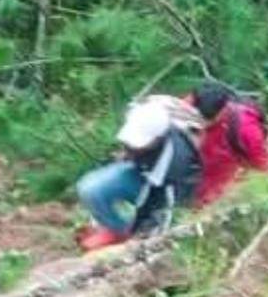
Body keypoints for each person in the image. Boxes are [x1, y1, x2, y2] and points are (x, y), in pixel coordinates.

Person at [76, 100, 203, 251]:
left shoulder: (177, 165)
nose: (131, 147)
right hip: (142, 173)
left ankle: (129, 237)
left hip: (168, 194)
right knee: (90, 188)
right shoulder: (141, 119)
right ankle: (116, 230)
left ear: (158, 139)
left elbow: (164, 206)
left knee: (157, 224)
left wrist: (139, 236)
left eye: (137, 144)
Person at [187, 83, 268, 206]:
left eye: (205, 120)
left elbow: (262, 167)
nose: (200, 124)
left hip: (216, 191)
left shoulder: (246, 130)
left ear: (222, 110)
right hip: (194, 175)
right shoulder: (192, 102)